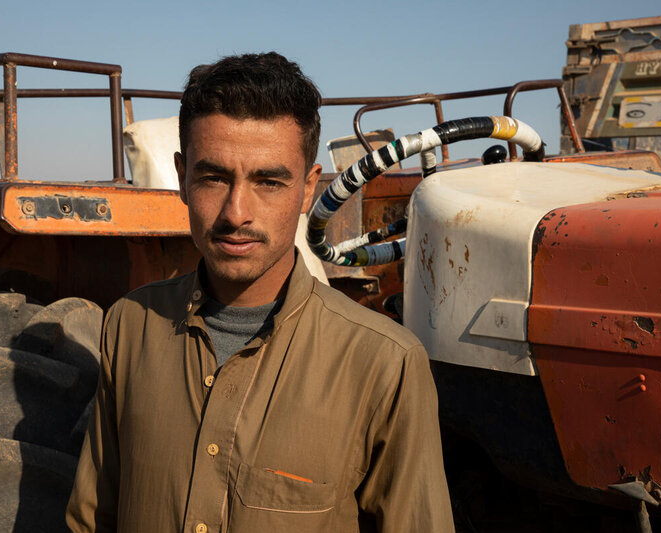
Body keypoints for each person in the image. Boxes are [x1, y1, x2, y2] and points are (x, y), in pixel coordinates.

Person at [66, 52, 454, 533]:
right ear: (182, 177)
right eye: (213, 177)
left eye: (269, 181)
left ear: (308, 188)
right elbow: (91, 518)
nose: (236, 213)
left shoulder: (384, 364)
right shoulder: (129, 326)